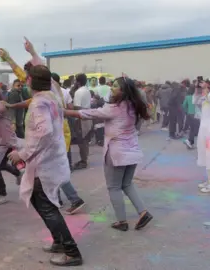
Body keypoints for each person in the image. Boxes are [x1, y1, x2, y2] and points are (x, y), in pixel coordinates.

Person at [8, 65, 83, 267]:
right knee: (39, 201)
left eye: (27, 78)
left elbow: (44, 132)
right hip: (52, 160)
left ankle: (72, 251)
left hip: (44, 164)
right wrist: (31, 51)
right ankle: (59, 242)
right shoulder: (52, 96)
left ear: (30, 81)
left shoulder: (39, 103)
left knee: (47, 207)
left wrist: (22, 154)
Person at [65, 76, 153, 232]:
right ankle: (143, 212)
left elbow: (87, 113)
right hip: (132, 152)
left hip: (117, 153)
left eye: (115, 87)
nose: (112, 89)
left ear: (123, 91)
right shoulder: (133, 105)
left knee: (114, 187)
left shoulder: (114, 109)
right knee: (127, 184)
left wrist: (64, 111)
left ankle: (122, 221)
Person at [71, 73, 92, 170]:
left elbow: (77, 107)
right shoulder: (87, 90)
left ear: (77, 81)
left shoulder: (78, 92)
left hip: (81, 116)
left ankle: (83, 161)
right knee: (85, 140)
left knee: (82, 140)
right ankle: (84, 159)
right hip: (88, 115)